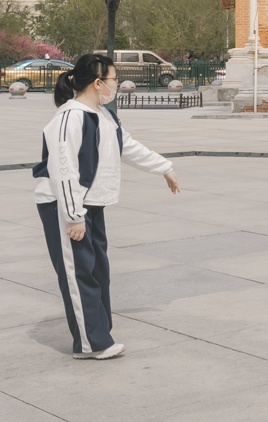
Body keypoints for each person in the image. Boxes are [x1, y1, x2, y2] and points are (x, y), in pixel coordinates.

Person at [32, 52, 181, 358]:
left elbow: (129, 146)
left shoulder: (104, 116)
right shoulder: (69, 118)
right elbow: (63, 169)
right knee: (78, 273)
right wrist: (73, 216)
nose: (116, 84)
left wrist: (164, 167)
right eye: (113, 78)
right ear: (98, 82)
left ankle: (99, 334)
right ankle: (90, 344)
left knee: (98, 270)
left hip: (92, 204)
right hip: (65, 205)